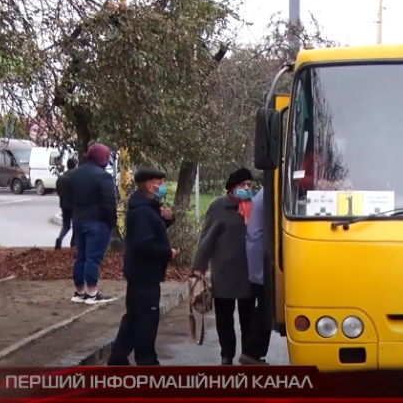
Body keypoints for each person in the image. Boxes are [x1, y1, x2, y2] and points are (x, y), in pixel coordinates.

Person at [192, 168, 265, 366]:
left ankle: (249, 354)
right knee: (224, 318)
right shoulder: (218, 207)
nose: (247, 189)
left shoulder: (254, 206)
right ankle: (227, 354)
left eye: (250, 185)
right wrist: (199, 266)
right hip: (224, 270)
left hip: (248, 271)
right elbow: (207, 238)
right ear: (232, 187)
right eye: (243, 185)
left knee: (248, 316)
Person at [107, 168, 177, 366]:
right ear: (149, 185)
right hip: (144, 273)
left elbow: (155, 229)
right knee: (146, 319)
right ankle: (147, 361)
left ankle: (118, 359)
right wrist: (167, 252)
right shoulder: (142, 211)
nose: (162, 187)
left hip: (144, 273)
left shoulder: (148, 206)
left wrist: (167, 218)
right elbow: (142, 243)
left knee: (135, 317)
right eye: (159, 183)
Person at [69, 143, 117, 304]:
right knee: (93, 259)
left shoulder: (75, 174)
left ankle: (79, 292)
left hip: (78, 220)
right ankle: (92, 294)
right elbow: (109, 202)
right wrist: (111, 222)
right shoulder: (103, 176)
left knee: (81, 257)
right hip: (98, 222)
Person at [243, 186, 272, 363]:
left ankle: (253, 353)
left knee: (264, 307)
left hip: (259, 260)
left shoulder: (264, 194)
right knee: (265, 308)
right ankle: (251, 352)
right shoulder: (267, 196)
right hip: (262, 261)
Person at [55, 157, 78, 250]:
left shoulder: (61, 177)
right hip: (74, 205)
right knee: (76, 226)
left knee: (66, 226)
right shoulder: (76, 177)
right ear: (75, 165)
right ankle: (73, 244)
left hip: (64, 205)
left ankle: (59, 239)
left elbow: (58, 191)